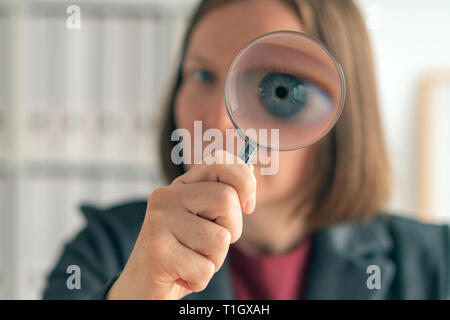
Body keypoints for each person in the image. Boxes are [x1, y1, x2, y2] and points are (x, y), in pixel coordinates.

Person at [42, 0, 450, 300]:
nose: (221, 122)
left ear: (344, 112)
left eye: (278, 87)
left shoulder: (438, 264)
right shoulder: (104, 249)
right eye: (202, 74)